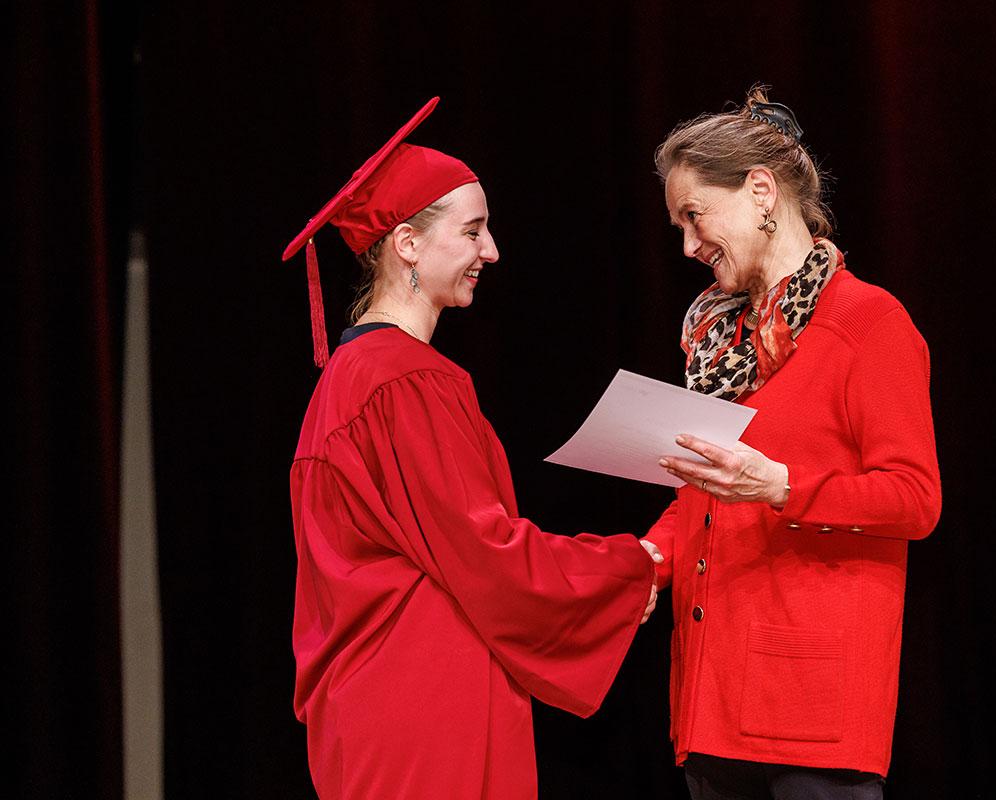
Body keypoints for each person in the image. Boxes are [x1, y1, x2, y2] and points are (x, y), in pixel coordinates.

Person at [281, 97, 661, 799]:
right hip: (423, 705)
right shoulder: (406, 382)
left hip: (366, 706)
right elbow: (486, 554)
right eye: (474, 230)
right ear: (408, 244)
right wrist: (626, 568)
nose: (492, 251)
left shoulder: (346, 380)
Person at [646, 87, 942, 799]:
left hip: (810, 710)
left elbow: (915, 499)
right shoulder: (722, 338)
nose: (687, 245)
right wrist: (649, 561)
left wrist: (781, 486)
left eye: (694, 216)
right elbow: (701, 496)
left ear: (759, 190)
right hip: (711, 698)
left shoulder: (869, 322)